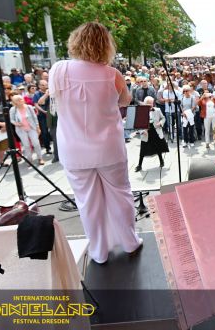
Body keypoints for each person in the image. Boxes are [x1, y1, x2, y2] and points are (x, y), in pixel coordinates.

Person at [49, 22, 142, 265]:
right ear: (106, 46)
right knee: (120, 195)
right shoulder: (113, 74)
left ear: (75, 42)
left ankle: (99, 251)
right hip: (109, 147)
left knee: (87, 202)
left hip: (74, 149)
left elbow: (54, 99)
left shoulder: (58, 70)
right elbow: (125, 101)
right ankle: (130, 241)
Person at [134, 96, 168, 172]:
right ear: (144, 103)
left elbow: (163, 118)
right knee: (143, 149)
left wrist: (160, 123)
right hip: (146, 132)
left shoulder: (157, 110)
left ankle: (161, 161)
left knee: (158, 146)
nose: (150, 105)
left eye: (151, 103)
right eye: (148, 103)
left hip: (156, 130)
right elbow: (138, 125)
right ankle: (139, 165)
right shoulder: (141, 112)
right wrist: (142, 131)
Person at [9, 94, 44, 165]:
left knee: (36, 143)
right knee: (26, 145)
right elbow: (11, 120)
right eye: (18, 100)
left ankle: (40, 158)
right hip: (21, 130)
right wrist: (16, 123)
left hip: (32, 128)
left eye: (21, 99)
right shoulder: (13, 109)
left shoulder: (29, 107)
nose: (21, 100)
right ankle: (29, 160)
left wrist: (38, 127)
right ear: (15, 102)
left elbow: (35, 118)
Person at [33, 80, 52, 154]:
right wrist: (43, 111)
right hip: (42, 115)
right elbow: (36, 104)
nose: (45, 86)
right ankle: (48, 148)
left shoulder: (50, 91)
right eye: (43, 85)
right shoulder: (37, 94)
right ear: (39, 86)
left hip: (51, 114)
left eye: (46, 84)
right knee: (44, 132)